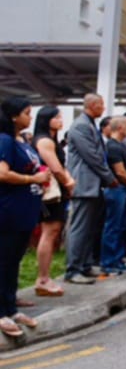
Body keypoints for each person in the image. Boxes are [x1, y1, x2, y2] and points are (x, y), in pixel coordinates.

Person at [0, 97, 51, 337]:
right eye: (27, 113)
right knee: (4, 261)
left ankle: (11, 306)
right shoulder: (5, 141)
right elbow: (3, 174)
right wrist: (33, 179)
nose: (31, 117)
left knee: (13, 262)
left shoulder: (23, 142)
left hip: (24, 211)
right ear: (13, 116)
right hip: (8, 211)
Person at [64, 93, 117, 285]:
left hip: (93, 185)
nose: (103, 109)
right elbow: (92, 156)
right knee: (79, 227)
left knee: (89, 228)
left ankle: (85, 265)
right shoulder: (80, 126)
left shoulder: (89, 125)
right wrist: (109, 177)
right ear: (93, 105)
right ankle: (73, 269)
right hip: (83, 183)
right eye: (101, 105)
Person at [32, 106, 76, 296]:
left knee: (53, 231)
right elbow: (56, 167)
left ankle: (45, 276)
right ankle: (42, 278)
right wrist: (69, 183)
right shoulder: (44, 141)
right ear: (46, 120)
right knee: (49, 232)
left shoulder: (52, 140)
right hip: (50, 192)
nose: (60, 120)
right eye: (56, 117)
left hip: (57, 192)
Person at [101, 117, 126, 275]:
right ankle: (109, 262)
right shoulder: (113, 147)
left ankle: (117, 259)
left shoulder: (119, 146)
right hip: (116, 189)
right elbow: (120, 171)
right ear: (121, 128)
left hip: (123, 189)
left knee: (120, 225)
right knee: (113, 226)